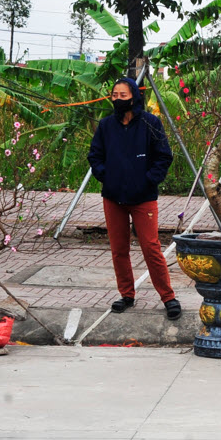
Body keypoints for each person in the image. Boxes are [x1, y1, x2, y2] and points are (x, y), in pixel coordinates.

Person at [87, 77, 182, 319]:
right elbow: (95, 155)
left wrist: (149, 179)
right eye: (115, 95)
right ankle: (126, 294)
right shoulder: (107, 125)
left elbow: (164, 156)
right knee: (119, 250)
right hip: (113, 197)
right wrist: (107, 177)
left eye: (123, 95)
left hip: (143, 198)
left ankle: (169, 297)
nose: (118, 99)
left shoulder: (151, 123)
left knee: (151, 248)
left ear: (134, 97)